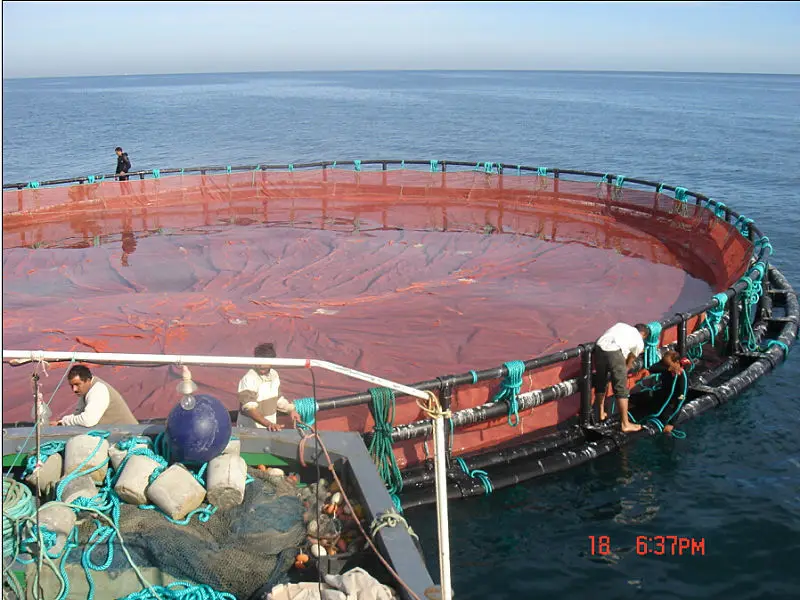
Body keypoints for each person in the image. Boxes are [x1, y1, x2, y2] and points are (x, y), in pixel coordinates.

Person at [592, 322, 649, 433]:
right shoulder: (639, 341)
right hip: (614, 351)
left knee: (601, 381)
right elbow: (629, 362)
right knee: (621, 388)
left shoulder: (621, 325)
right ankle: (625, 423)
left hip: (599, 346)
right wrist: (624, 370)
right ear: (644, 335)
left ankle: (600, 413)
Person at [237, 343, 301, 431]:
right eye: (258, 361)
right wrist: (269, 424)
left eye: (264, 362)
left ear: (272, 362)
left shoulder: (274, 375)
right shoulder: (249, 378)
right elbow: (249, 408)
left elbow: (277, 399)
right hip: (250, 430)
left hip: (269, 429)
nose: (260, 365)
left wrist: (291, 410)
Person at [51, 364, 139, 427]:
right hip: (114, 434)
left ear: (88, 380)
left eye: (77, 384)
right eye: (71, 385)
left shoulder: (98, 390)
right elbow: (78, 414)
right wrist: (60, 422)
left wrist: (65, 422)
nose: (74, 389)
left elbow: (88, 420)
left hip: (128, 436)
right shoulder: (85, 391)